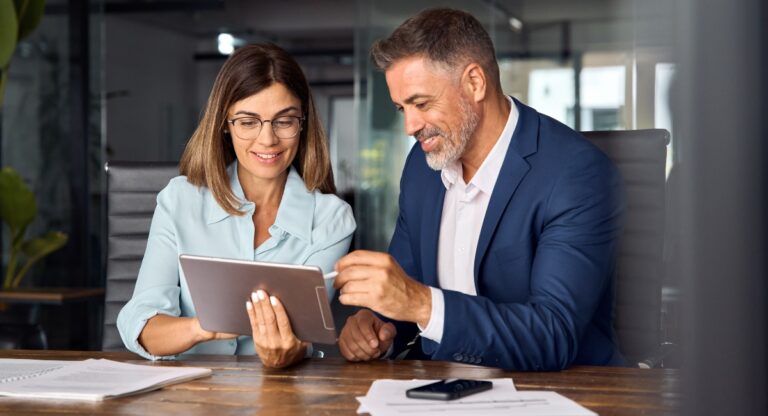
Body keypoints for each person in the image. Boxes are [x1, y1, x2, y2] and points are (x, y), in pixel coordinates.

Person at [333, 8, 625, 371]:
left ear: (474, 82)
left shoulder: (576, 174)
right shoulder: (422, 168)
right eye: (401, 107)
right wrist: (376, 325)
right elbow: (407, 291)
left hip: (556, 391)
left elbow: (553, 334)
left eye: (421, 103)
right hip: (437, 387)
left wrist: (422, 305)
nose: (409, 126)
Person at [117, 43, 356, 368]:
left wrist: (287, 351)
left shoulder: (332, 220)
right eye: (248, 122)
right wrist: (205, 327)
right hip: (190, 396)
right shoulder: (179, 201)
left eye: (284, 121)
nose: (267, 139)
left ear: (303, 123)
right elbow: (142, 325)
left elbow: (303, 335)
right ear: (225, 125)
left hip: (283, 395)